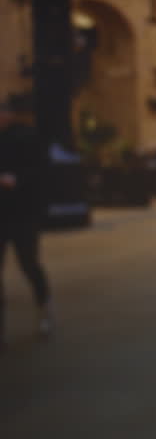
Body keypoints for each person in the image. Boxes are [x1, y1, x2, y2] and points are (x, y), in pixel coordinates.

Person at [0, 102, 52, 347]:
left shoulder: (26, 137)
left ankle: (43, 306)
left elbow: (40, 169)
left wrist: (17, 179)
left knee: (28, 263)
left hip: (22, 212)